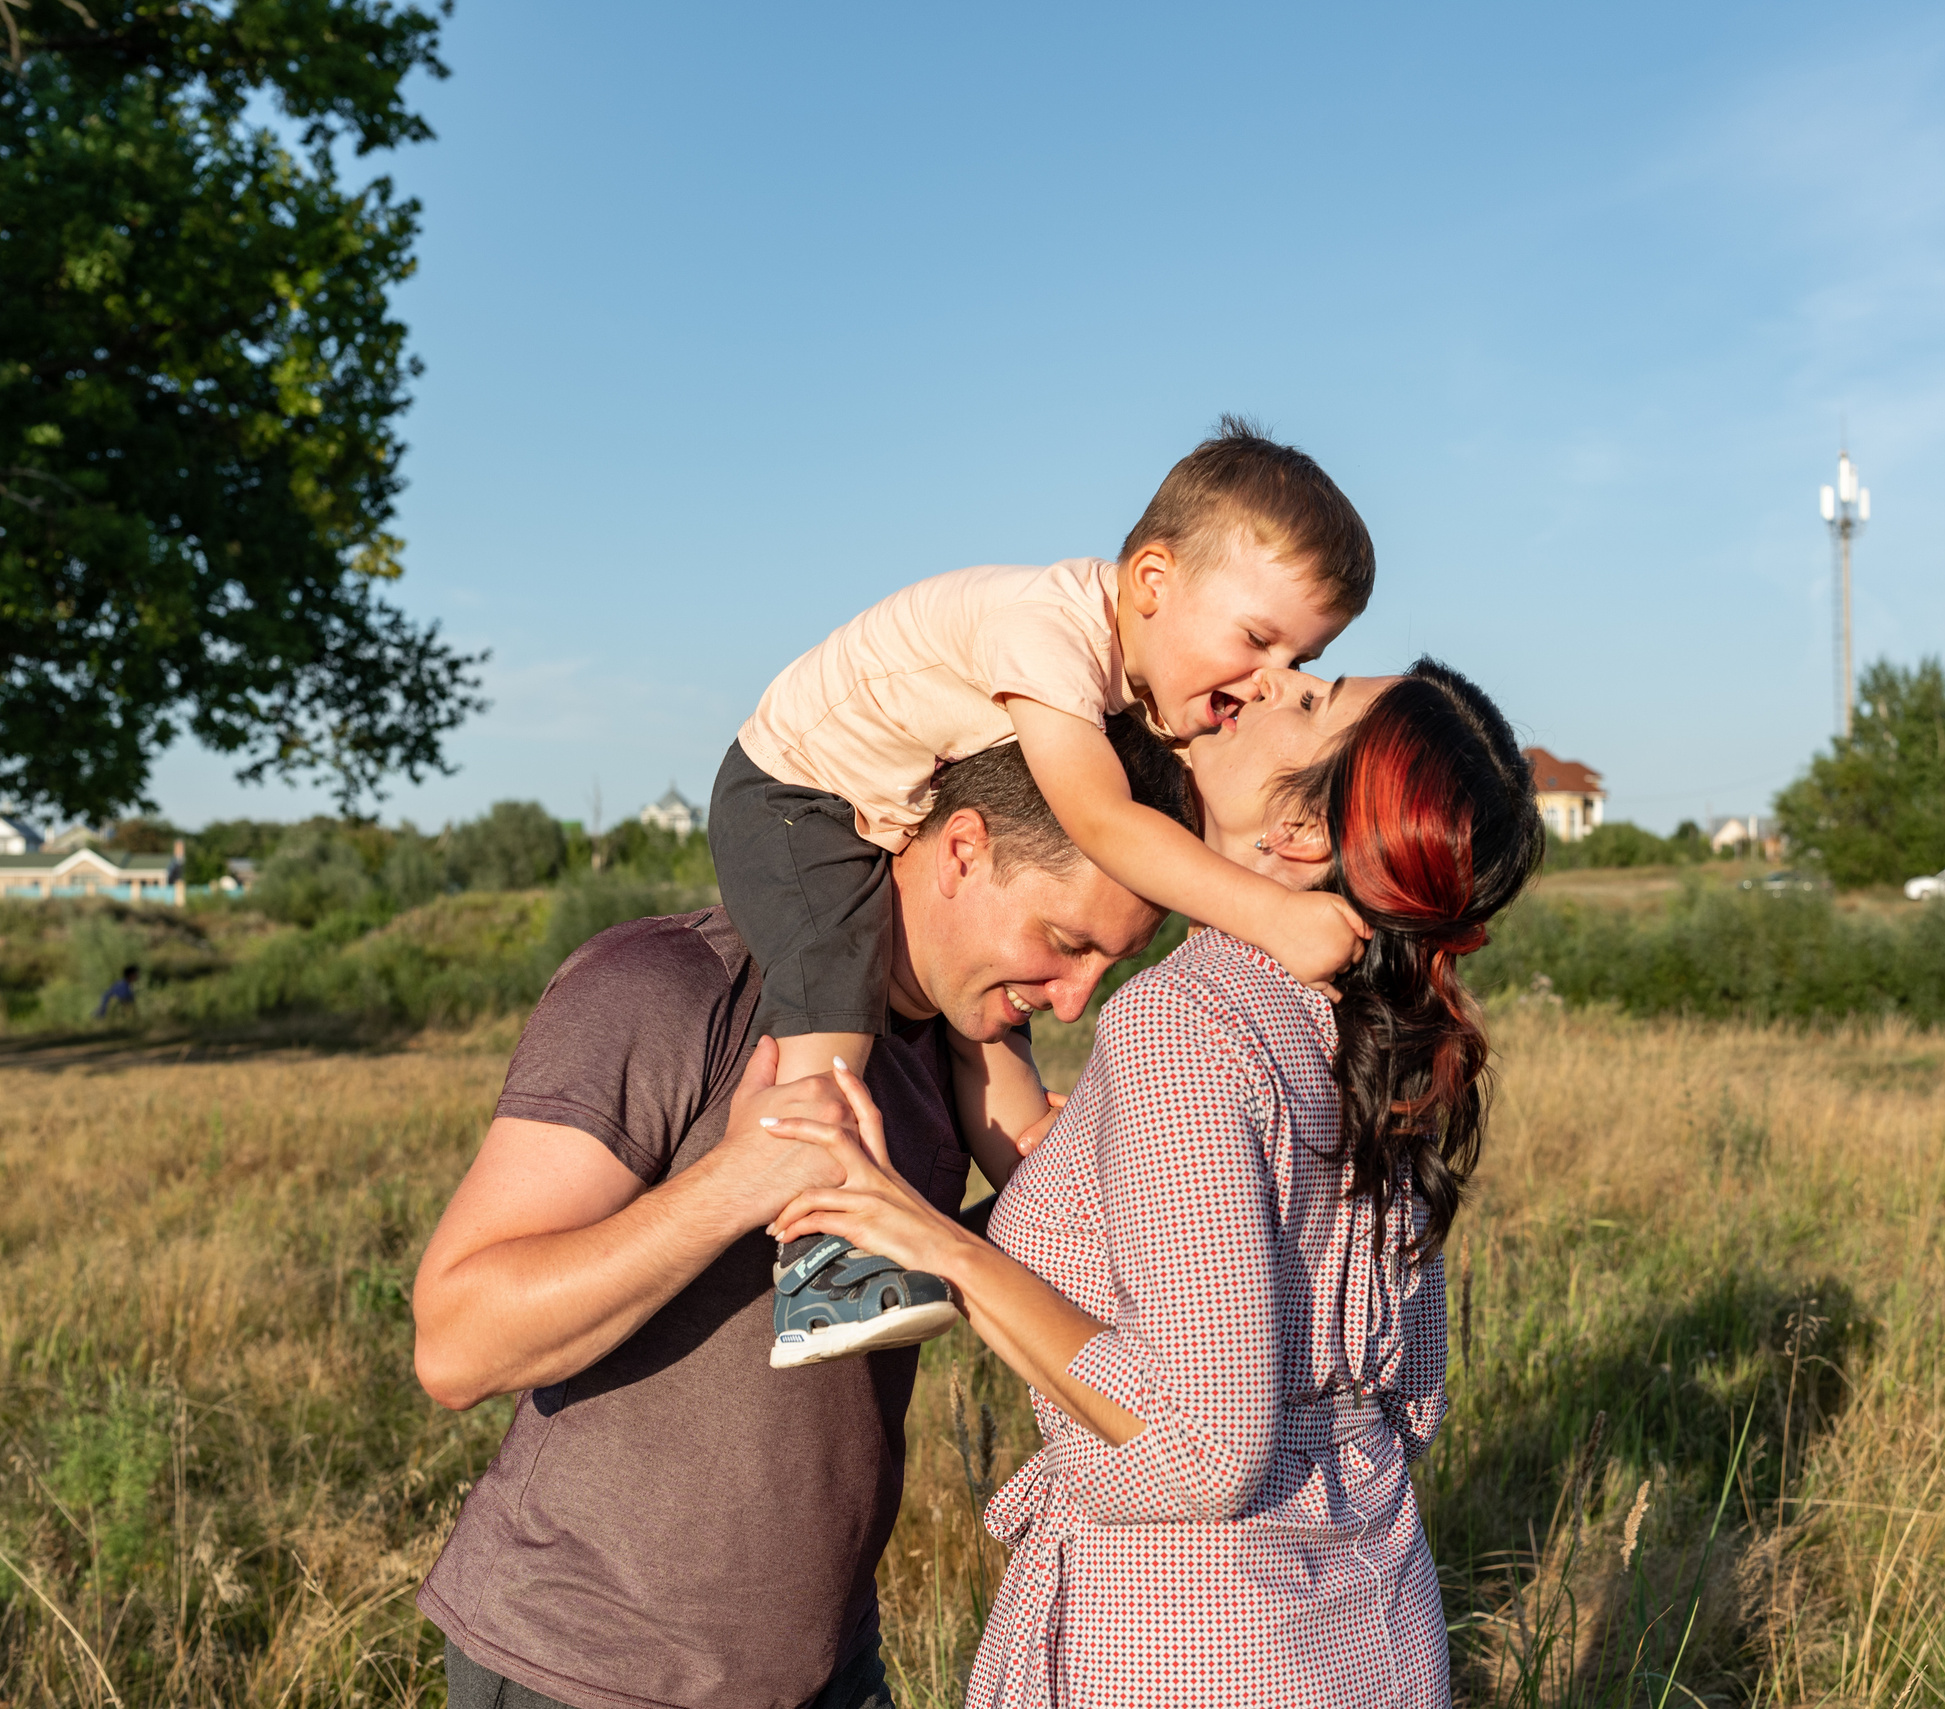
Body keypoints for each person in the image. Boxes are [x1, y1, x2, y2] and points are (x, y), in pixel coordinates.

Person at [765, 658, 1544, 1708]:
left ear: (1300, 832)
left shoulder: (1187, 1020)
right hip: (1372, 1619)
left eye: (1311, 699)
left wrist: (939, 1244)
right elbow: (1409, 1399)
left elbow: (1202, 1450)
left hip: (1190, 1635)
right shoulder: (1376, 1029)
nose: (1269, 680)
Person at [409, 728, 1188, 1709]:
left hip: (830, 1666)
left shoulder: (955, 1047)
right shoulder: (672, 984)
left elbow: (916, 1273)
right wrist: (735, 1181)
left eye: (1109, 964)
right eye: (1067, 943)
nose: (1073, 1002)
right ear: (962, 849)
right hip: (587, 1668)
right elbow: (456, 1344)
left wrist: (1070, 1191)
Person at [710, 419, 1378, 1366]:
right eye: (1257, 639)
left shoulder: (1138, 674)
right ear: (1153, 581)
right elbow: (1101, 821)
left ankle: (1043, 1177)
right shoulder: (1050, 633)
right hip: (794, 796)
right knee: (834, 990)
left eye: (1298, 663)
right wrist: (1273, 916)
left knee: (990, 1030)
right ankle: (819, 1255)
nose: (1266, 683)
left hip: (884, 808)